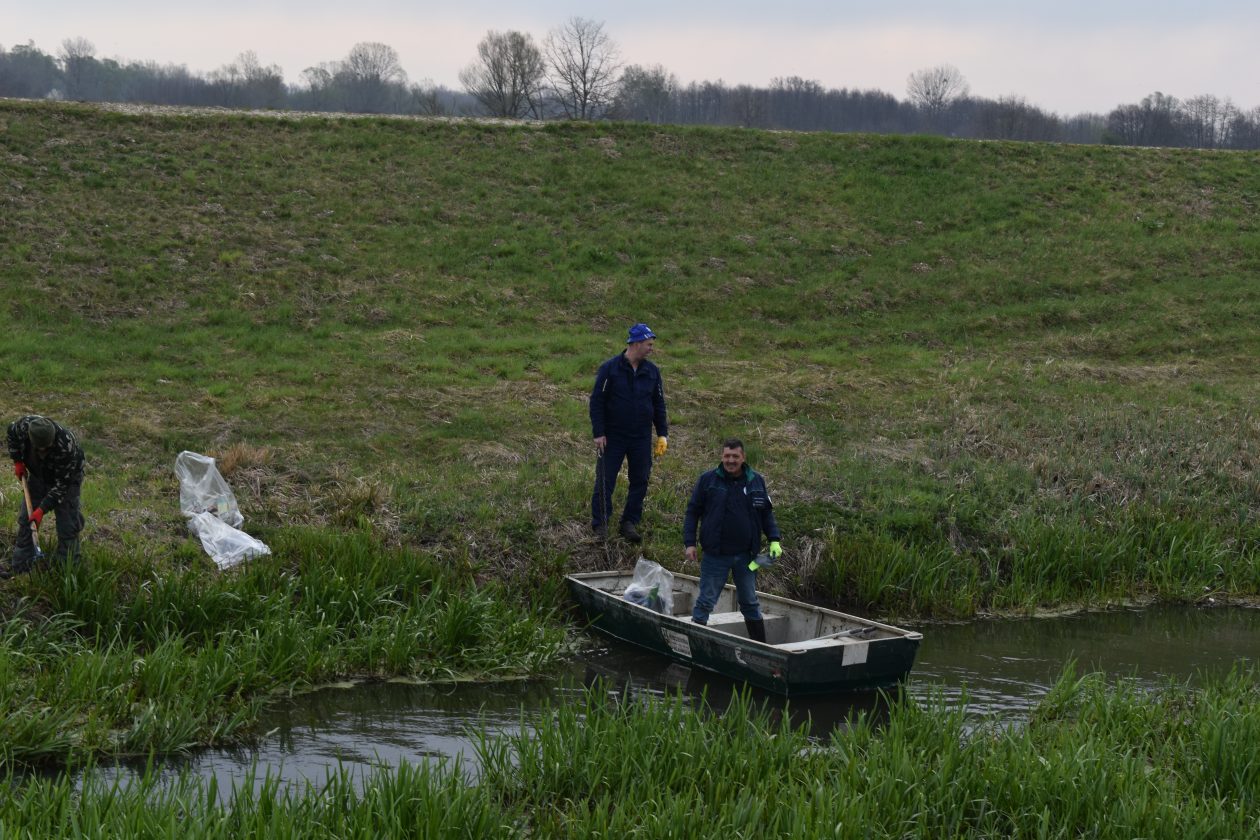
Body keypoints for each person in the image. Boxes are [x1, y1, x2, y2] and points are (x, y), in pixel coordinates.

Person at [683, 438, 782, 641]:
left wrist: (774, 539)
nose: (730, 460)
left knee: (750, 602)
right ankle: (693, 641)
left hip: (747, 557)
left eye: (735, 456)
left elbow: (766, 515)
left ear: (743, 457)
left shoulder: (756, 480)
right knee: (705, 601)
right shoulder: (707, 479)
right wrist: (690, 543)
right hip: (715, 555)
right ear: (722, 456)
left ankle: (760, 646)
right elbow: (692, 512)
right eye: (727, 456)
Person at [590, 322, 669, 543]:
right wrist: (599, 432)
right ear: (635, 343)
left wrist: (662, 433)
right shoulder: (610, 369)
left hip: (641, 437)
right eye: (648, 344)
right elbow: (597, 402)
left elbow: (659, 404)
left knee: (640, 479)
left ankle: (629, 522)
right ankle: (601, 525)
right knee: (605, 480)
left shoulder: (652, 372)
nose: (651, 348)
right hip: (612, 436)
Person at [3, 415, 85, 578]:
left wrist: (41, 510)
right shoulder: (24, 426)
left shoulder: (66, 446)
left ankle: (66, 573)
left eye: (47, 448)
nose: (43, 452)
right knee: (27, 519)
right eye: (39, 448)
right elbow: (11, 432)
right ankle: (21, 567)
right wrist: (17, 460)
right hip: (39, 474)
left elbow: (61, 487)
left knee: (67, 525)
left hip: (66, 479)